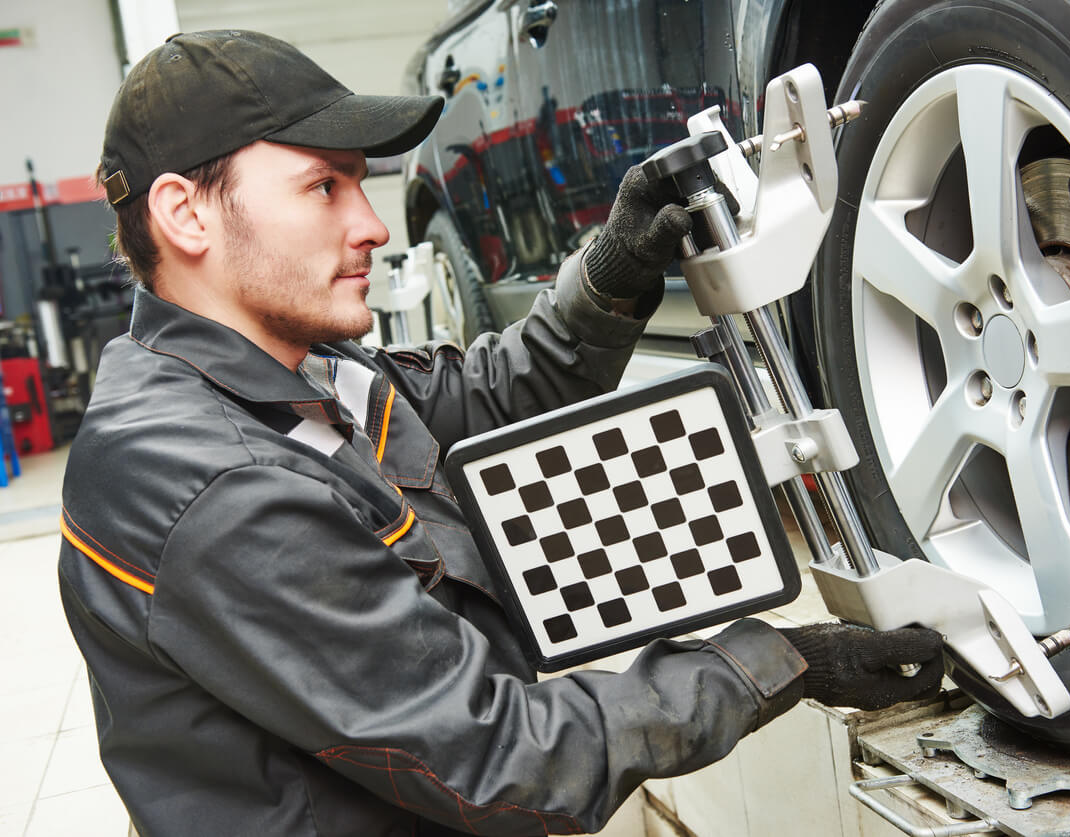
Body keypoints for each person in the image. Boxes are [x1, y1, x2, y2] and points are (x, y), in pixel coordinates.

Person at [59, 30, 944, 837]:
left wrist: (613, 268)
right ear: (185, 214)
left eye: (360, 184)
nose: (369, 224)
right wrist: (769, 659)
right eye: (322, 186)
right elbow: (505, 758)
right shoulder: (212, 485)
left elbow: (479, 399)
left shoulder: (297, 368)